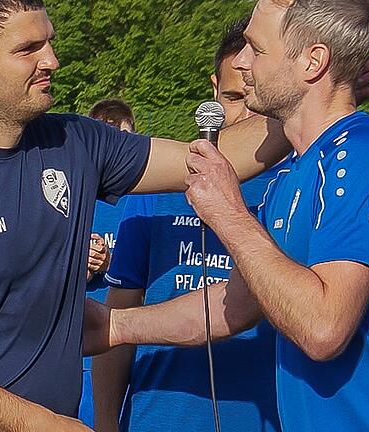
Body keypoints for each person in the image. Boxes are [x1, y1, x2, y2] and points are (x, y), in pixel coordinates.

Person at [0, 0, 308, 430]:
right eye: (29, 49)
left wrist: (310, 93)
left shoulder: (76, 142)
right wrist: (39, 424)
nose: (52, 60)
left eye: (50, 43)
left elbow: (219, 159)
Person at [91, 0, 369, 430]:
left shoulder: (363, 155)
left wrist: (229, 215)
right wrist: (116, 325)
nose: (240, 62)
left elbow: (323, 328)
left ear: (313, 62)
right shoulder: (290, 176)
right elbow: (233, 307)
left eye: (256, 50)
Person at [92, 18, 283, 432]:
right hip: (157, 416)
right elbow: (116, 320)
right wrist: (106, 422)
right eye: (233, 97)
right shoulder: (160, 189)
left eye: (255, 97)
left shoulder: (298, 185)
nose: (246, 113)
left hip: (263, 415)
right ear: (213, 89)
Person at [79, 98, 137, 428]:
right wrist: (79, 266)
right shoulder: (73, 196)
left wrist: (110, 262)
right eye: (108, 139)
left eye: (124, 139)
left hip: (126, 344)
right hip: (81, 348)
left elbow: (146, 271)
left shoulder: (143, 199)